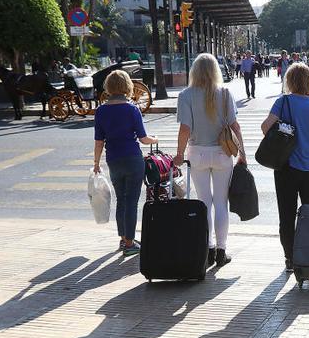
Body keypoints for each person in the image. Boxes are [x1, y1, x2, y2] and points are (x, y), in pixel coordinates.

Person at [173, 53, 247, 268]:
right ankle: (222, 251)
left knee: (204, 202)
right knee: (221, 202)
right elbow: (235, 127)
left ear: (194, 71)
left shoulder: (185, 95)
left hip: (197, 153)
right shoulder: (225, 93)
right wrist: (242, 154)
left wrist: (179, 154)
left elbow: (185, 128)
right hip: (223, 153)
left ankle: (209, 249)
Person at [260, 63, 309, 271]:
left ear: (289, 81)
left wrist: (283, 127)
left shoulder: (282, 102)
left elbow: (265, 128)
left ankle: (290, 258)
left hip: (286, 169)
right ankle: (308, 255)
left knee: (287, 214)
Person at [92, 70, 158, 256]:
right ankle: (129, 243)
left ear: (109, 87)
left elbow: (99, 141)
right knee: (131, 201)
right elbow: (144, 139)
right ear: (127, 86)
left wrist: (96, 163)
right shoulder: (132, 109)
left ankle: (123, 238)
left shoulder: (101, 111)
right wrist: (155, 139)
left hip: (113, 159)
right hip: (132, 159)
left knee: (121, 199)